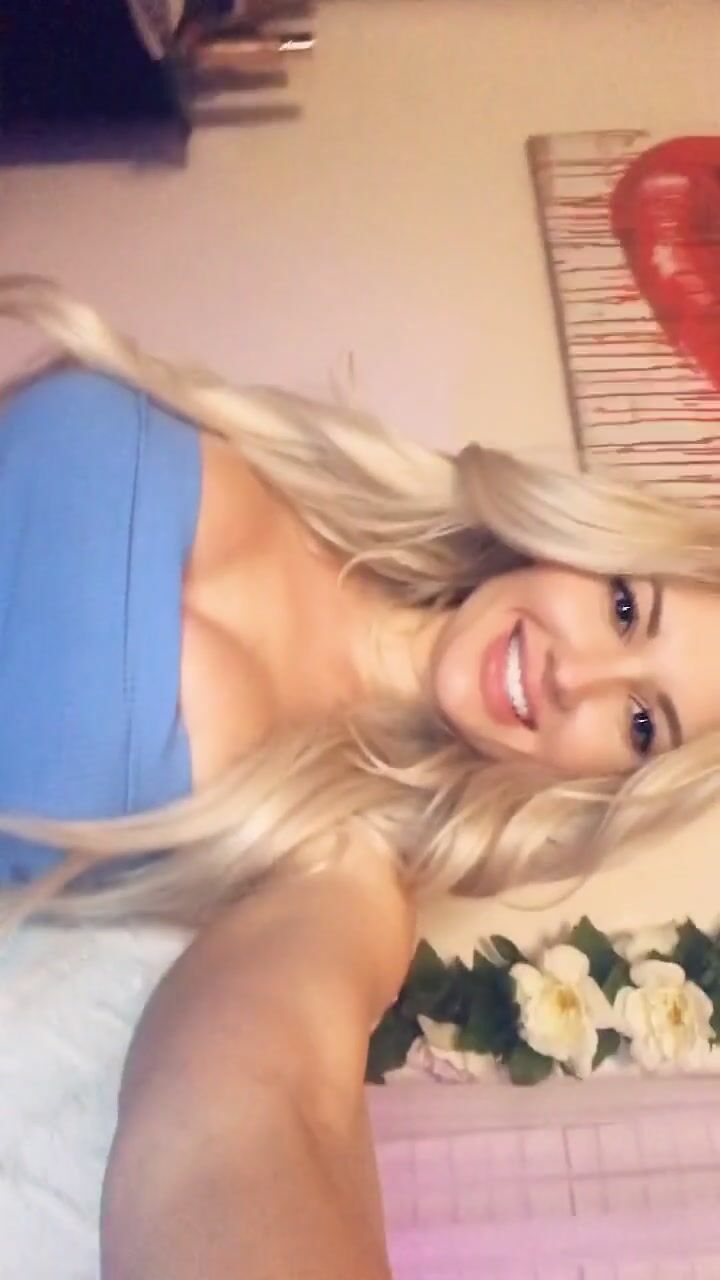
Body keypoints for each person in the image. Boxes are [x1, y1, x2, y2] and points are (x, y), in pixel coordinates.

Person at [0, 274, 718, 1279]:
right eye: (626, 609)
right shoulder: (305, 465)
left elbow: (261, 1099)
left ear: (607, 781)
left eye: (640, 721)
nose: (578, 675)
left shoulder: (350, 869)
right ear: (576, 544)